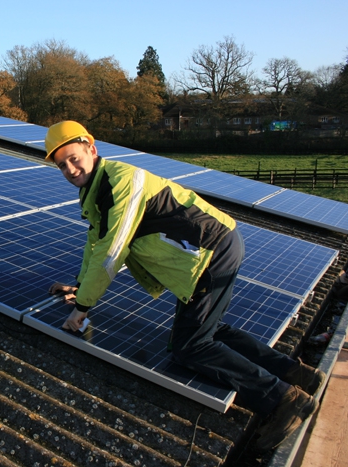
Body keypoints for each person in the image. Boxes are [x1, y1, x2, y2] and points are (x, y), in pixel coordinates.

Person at [44, 120, 325, 451]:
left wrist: (83, 308)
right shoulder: (94, 191)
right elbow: (96, 241)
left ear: (92, 149)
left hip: (210, 253)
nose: (70, 169)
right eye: (62, 164)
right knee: (209, 331)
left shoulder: (120, 182)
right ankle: (299, 375)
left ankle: (283, 401)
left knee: (189, 347)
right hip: (202, 255)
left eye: (74, 158)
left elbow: (112, 249)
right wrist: (79, 285)